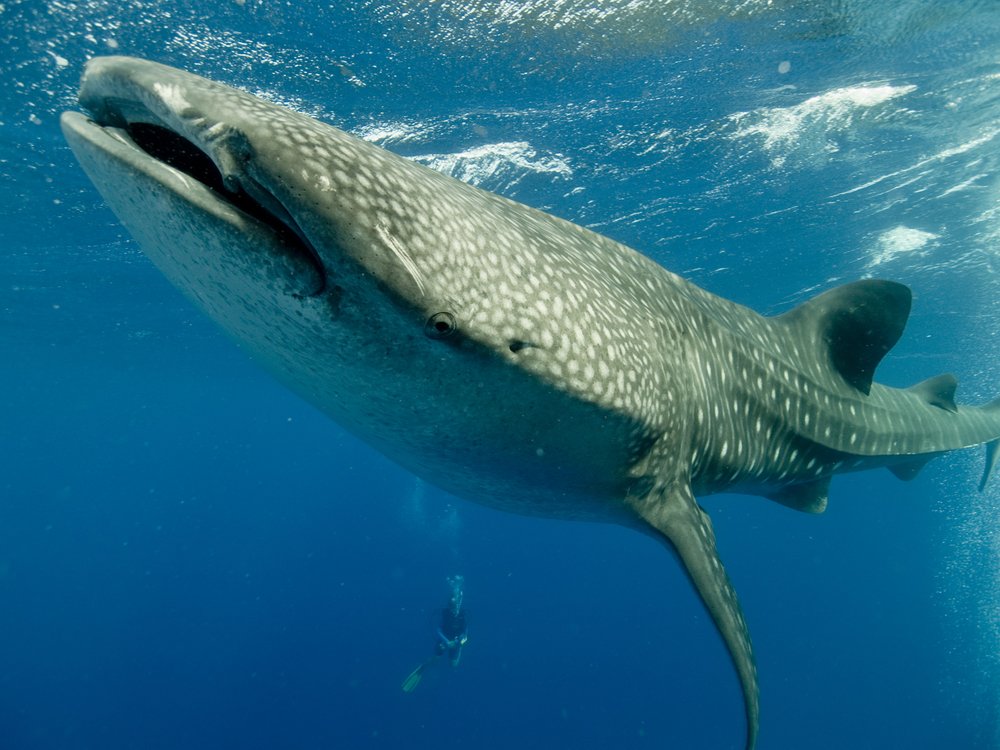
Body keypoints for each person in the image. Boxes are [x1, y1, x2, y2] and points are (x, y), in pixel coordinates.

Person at [401, 575, 468, 692]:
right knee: (436, 660)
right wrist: (447, 642)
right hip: (444, 641)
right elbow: (438, 629)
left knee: (453, 665)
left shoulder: (463, 615)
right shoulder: (445, 614)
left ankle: (458, 651)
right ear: (449, 605)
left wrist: (460, 642)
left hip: (456, 642)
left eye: (456, 606)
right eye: (452, 606)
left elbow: (465, 632)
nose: (454, 609)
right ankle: (423, 668)